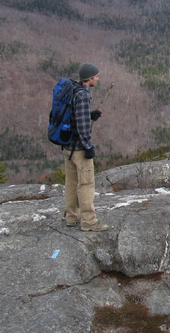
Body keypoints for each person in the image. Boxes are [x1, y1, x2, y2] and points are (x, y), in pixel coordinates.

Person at [63, 62, 108, 232]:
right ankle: (89, 221)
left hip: (67, 146)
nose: (98, 78)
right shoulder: (83, 95)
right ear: (89, 78)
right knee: (86, 184)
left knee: (71, 182)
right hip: (79, 148)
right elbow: (82, 125)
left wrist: (90, 115)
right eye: (96, 76)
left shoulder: (73, 90)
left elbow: (75, 116)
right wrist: (88, 146)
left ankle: (71, 217)